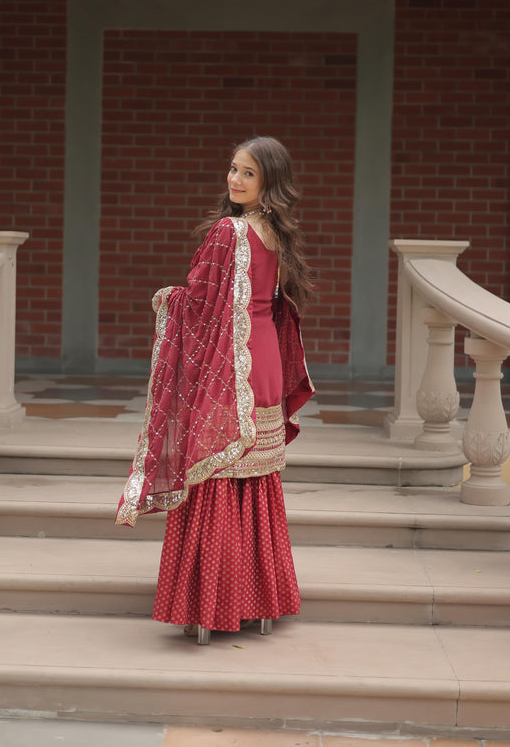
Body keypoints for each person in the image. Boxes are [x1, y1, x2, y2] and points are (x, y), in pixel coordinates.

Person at [115, 136, 314, 644]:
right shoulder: (275, 232)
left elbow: (201, 303)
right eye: (232, 169)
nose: (234, 179)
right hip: (263, 358)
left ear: (269, 180)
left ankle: (210, 607)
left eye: (247, 173)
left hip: (233, 364)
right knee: (253, 476)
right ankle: (257, 602)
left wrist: (168, 300)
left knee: (214, 471)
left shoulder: (231, 230)